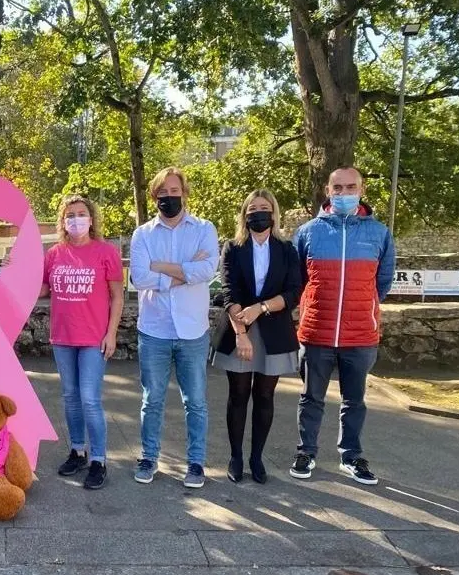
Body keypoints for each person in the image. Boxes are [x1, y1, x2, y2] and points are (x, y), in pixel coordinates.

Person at [290, 167, 395, 485]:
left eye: (351, 187)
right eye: (338, 188)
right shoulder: (308, 232)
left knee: (354, 401)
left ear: (362, 190)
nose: (344, 193)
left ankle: (351, 456)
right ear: (328, 190)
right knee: (311, 398)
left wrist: (360, 308)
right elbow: (298, 280)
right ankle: (306, 452)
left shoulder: (379, 233)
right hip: (316, 332)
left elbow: (382, 282)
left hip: (360, 334)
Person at [129, 167, 219, 489]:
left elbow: (207, 270)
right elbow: (139, 277)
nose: (169, 197)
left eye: (174, 191)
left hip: (192, 331)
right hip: (154, 329)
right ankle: (148, 457)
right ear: (155, 196)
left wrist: (161, 268)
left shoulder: (204, 229)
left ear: (184, 193)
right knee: (152, 399)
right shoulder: (142, 234)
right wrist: (184, 272)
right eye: (163, 193)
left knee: (195, 402)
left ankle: (195, 463)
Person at [211, 189, 303, 484]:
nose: (258, 213)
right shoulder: (233, 248)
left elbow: (293, 292)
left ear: (273, 213)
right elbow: (229, 291)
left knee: (264, 395)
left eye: (263, 208)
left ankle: (256, 458)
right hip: (238, 330)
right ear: (244, 215)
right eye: (252, 209)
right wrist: (241, 333)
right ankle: (236, 457)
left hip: (274, 333)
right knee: (238, 395)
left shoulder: (286, 249)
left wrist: (261, 308)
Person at [43, 196, 124, 490]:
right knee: (70, 396)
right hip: (63, 337)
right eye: (69, 215)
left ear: (91, 219)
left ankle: (98, 459)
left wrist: (111, 333)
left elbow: (118, 296)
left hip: (93, 338)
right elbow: (41, 288)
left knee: (90, 398)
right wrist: (12, 268)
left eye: (80, 214)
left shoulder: (106, 252)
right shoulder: (54, 254)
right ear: (62, 221)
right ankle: (78, 451)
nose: (75, 219)